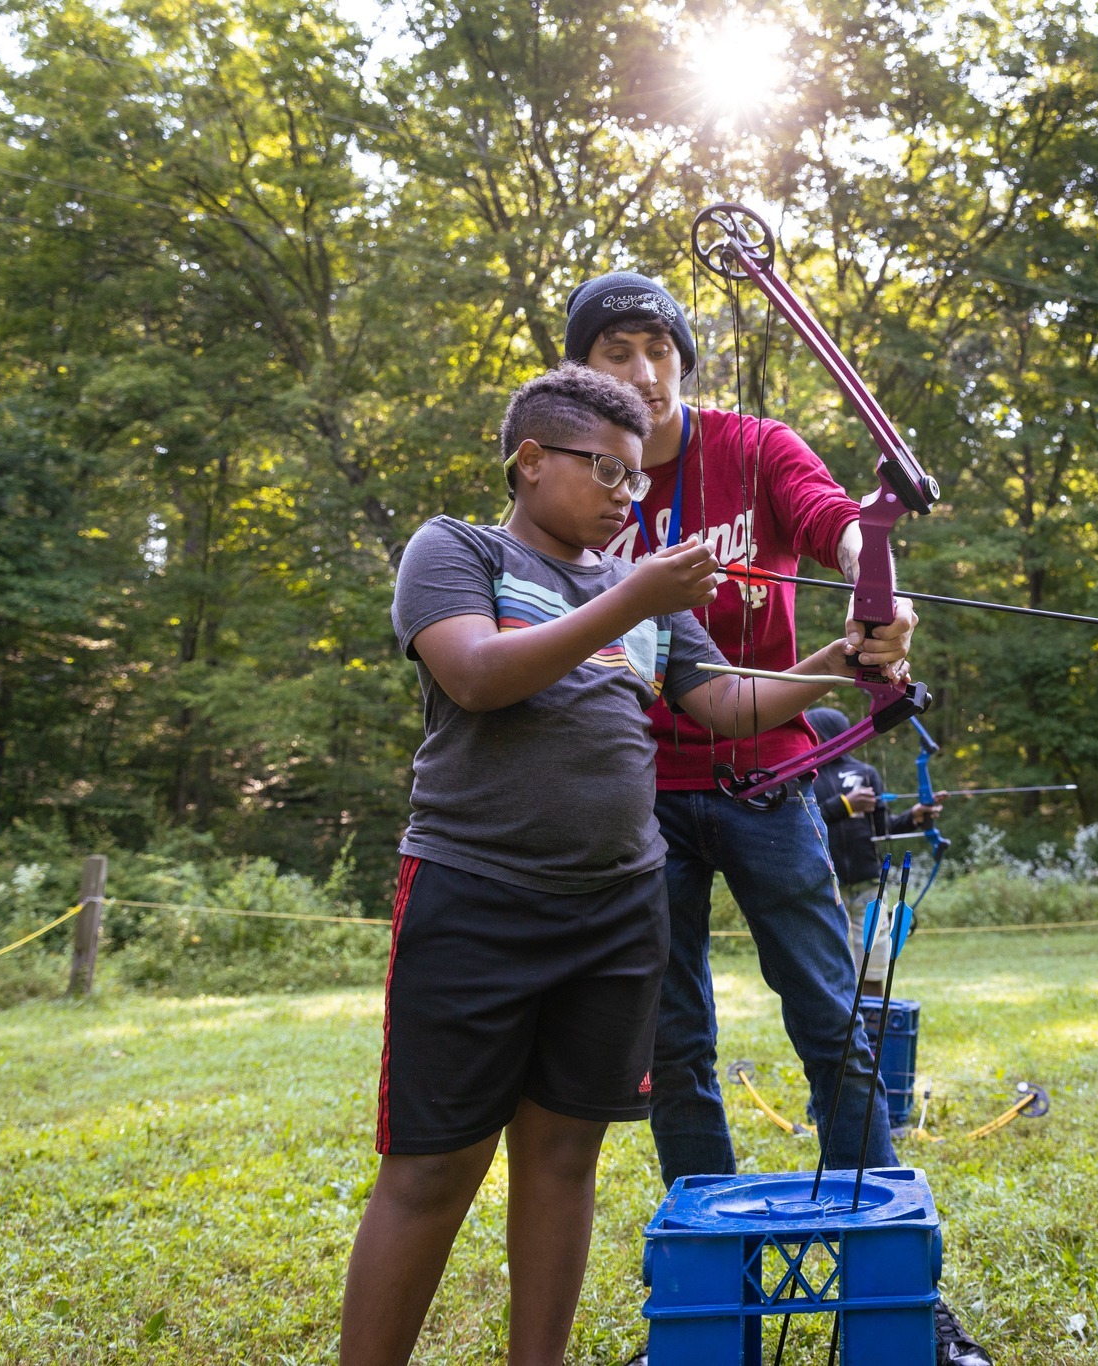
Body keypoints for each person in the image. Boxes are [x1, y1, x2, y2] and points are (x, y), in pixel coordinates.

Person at [340, 364, 870, 1366]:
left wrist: (832, 665)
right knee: (434, 1167)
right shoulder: (458, 550)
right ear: (530, 460)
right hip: (475, 894)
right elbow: (478, 675)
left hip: (620, 911)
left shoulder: (645, 595)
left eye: (638, 477)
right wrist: (631, 595)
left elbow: (723, 703)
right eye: (608, 472)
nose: (630, 495)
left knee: (563, 1158)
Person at [565, 273, 993, 1366]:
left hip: (768, 775)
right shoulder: (580, 478)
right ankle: (712, 1307)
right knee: (674, 1046)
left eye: (661, 348)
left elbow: (835, 520)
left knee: (833, 1021)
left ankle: (897, 1294)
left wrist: (873, 584)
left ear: (684, 360)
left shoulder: (752, 445)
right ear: (582, 372)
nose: (645, 372)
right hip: (635, 791)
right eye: (616, 351)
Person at [806, 705, 941, 993]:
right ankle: (841, 1016)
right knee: (828, 960)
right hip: (825, 883)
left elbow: (883, 828)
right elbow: (805, 823)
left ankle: (873, 1014)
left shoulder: (864, 773)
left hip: (868, 882)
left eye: (812, 732)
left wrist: (915, 816)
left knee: (874, 957)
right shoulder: (805, 777)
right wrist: (845, 805)